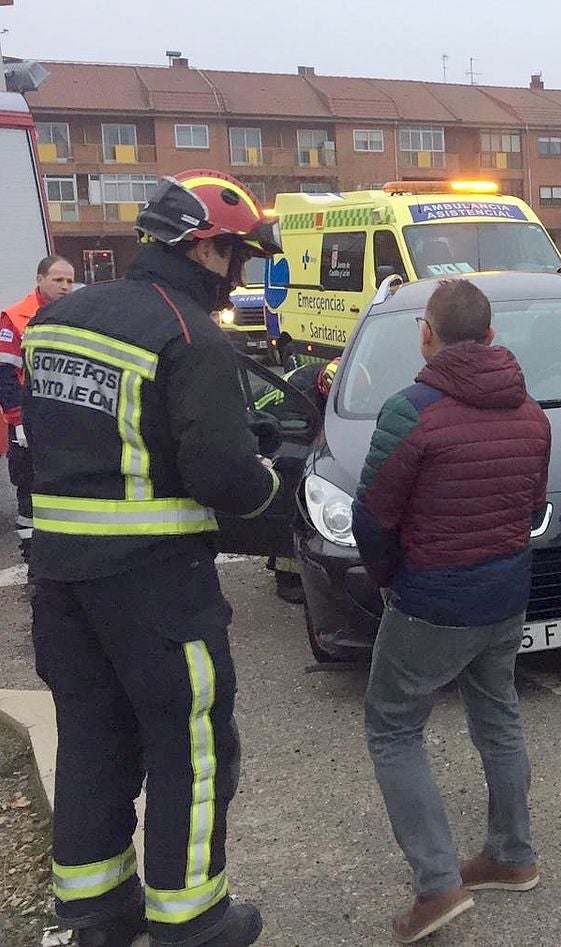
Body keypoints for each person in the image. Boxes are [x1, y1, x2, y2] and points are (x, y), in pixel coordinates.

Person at [23, 170, 281, 946]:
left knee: (94, 740)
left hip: (61, 580)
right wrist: (274, 486)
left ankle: (97, 912)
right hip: (156, 586)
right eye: (238, 257)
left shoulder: (63, 318)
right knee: (193, 743)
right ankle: (191, 918)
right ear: (207, 249)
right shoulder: (191, 335)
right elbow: (222, 476)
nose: (238, 275)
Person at [352, 278, 551, 943]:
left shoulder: (410, 410)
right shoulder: (531, 413)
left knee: (393, 728)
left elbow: (373, 514)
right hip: (506, 591)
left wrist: (388, 581)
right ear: (492, 337)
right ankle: (511, 854)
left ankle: (438, 886)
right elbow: (531, 507)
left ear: (426, 334)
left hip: (433, 596)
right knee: (497, 713)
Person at [0, 254, 76, 572]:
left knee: (66, 489)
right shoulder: (16, 318)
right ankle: (34, 561)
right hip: (28, 424)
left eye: (70, 280)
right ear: (40, 280)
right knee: (30, 493)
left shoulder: (74, 314)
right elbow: (4, 372)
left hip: (63, 421)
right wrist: (18, 422)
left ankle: (66, 555)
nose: (65, 286)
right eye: (58, 280)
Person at [254, 358, 338, 603]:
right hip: (269, 426)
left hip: (279, 421)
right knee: (292, 491)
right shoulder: (304, 396)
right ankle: (287, 578)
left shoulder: (338, 373)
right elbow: (299, 433)